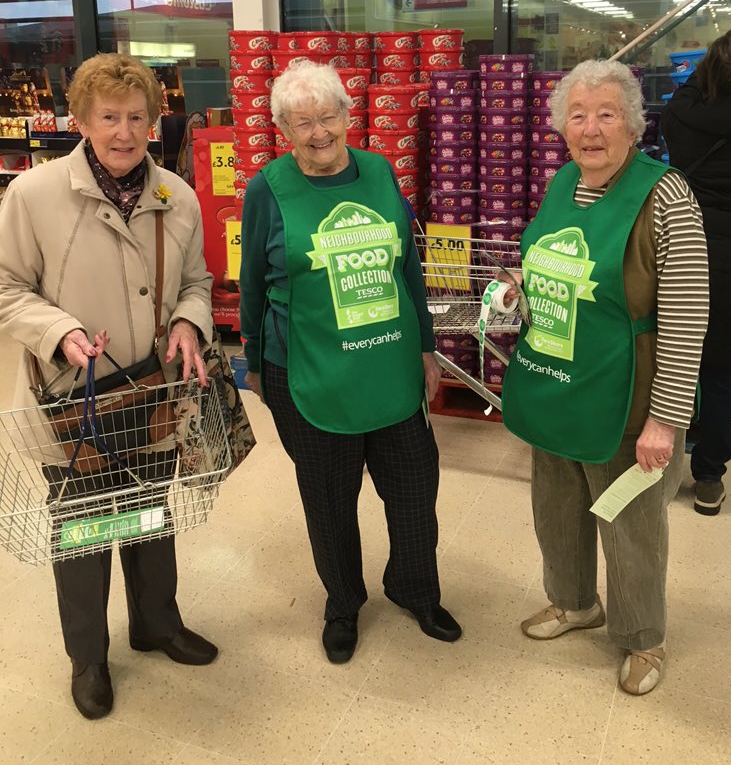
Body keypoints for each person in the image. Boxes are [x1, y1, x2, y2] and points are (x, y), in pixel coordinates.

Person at [0, 53, 217, 720]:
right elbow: (7, 289)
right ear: (81, 120)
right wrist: (59, 330)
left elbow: (197, 282)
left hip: (150, 392)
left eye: (136, 118)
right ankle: (88, 658)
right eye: (109, 117)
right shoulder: (33, 196)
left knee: (152, 515)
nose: (124, 132)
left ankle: (156, 623)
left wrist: (188, 322)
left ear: (156, 121)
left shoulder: (176, 197)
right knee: (83, 531)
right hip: (74, 399)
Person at [239, 60, 461, 664]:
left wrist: (427, 349)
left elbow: (406, 268)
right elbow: (253, 284)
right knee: (329, 496)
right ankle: (343, 604)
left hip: (389, 364)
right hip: (304, 368)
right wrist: (255, 363)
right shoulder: (268, 187)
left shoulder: (381, 171)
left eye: (328, 116)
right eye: (302, 122)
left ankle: (415, 587)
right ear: (283, 128)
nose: (318, 133)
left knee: (414, 485)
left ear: (347, 114)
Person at [500, 59, 709, 695]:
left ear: (633, 125)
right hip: (556, 382)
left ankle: (644, 638)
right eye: (578, 116)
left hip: (627, 399)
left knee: (633, 526)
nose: (591, 129)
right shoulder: (563, 182)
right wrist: (514, 287)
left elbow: (687, 315)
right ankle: (573, 602)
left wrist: (665, 420)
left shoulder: (667, 197)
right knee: (556, 507)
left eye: (607, 114)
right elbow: (546, 262)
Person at [663, 28, 731, 515]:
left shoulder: (684, 114)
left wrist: (704, 75)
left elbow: (682, 93)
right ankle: (708, 478)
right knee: (721, 372)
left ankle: (657, 466)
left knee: (665, 362)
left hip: (683, 248)